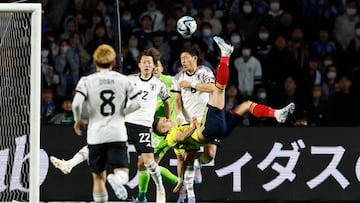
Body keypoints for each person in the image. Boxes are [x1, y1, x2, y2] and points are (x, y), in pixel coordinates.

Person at [153, 36, 295, 203]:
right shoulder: (177, 79)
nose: (183, 62)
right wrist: (180, 118)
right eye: (181, 59)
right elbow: (177, 101)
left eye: (186, 58)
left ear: (195, 59)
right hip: (198, 123)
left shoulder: (204, 72)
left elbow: (211, 87)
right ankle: (190, 193)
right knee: (189, 155)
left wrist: (191, 85)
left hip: (209, 120)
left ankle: (276, 114)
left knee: (214, 150)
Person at [71, 44, 141, 202]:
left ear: (95, 61)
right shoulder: (123, 80)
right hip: (117, 133)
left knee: (98, 178)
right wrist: (123, 112)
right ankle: (117, 180)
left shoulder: (86, 81)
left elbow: (76, 104)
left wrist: (78, 120)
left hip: (96, 135)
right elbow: (137, 103)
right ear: (113, 63)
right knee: (122, 171)